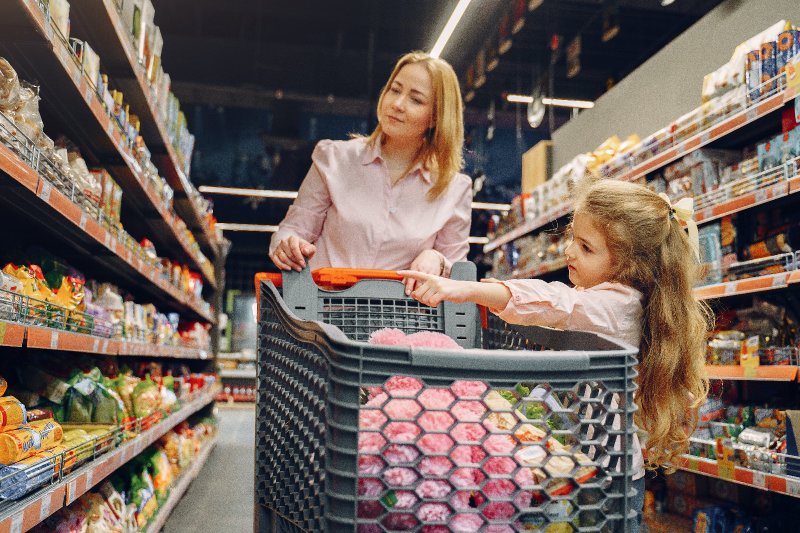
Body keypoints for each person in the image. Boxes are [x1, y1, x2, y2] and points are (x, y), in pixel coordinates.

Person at [399, 178, 711, 532]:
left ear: (628, 265)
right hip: (586, 465)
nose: (569, 252)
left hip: (608, 481)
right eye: (571, 239)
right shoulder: (607, 295)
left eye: (586, 247)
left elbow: (557, 301)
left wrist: (467, 290)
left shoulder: (618, 306)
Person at [269, 51, 472, 294]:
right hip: (321, 316)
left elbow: (458, 277)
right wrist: (287, 245)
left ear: (436, 118)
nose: (397, 104)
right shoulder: (334, 159)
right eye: (395, 90)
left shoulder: (454, 188)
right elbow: (292, 230)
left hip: (402, 324)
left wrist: (437, 259)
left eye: (415, 100)